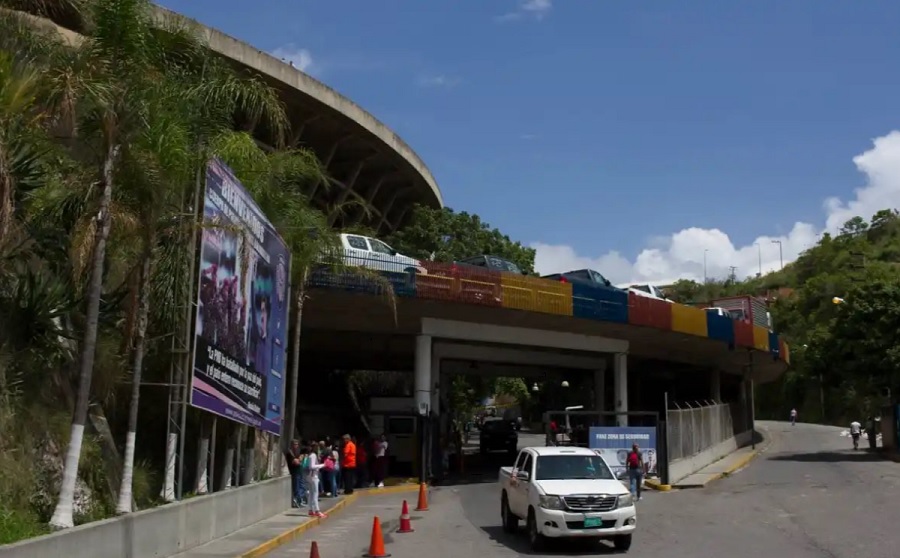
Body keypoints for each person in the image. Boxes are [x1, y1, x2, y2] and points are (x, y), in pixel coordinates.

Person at [303, 444, 327, 518]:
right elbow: (312, 466)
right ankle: (317, 511)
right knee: (315, 494)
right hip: (314, 477)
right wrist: (322, 465)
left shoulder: (310, 455)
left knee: (311, 494)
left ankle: (310, 510)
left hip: (309, 476)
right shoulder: (313, 455)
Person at [284, 439, 306, 507]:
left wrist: (299, 459)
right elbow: (295, 462)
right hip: (294, 471)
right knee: (296, 487)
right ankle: (297, 501)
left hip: (300, 470)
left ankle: (300, 500)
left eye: (297, 444)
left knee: (302, 486)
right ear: (291, 445)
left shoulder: (298, 451)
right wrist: (299, 460)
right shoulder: (290, 452)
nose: (296, 446)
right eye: (294, 444)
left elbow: (302, 459)